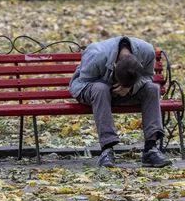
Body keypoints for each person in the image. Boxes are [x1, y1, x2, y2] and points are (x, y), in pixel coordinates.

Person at [69, 36, 171, 168]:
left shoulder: (147, 51)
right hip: (93, 89)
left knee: (152, 88)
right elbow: (85, 80)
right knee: (101, 89)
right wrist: (110, 86)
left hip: (129, 92)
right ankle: (107, 150)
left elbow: (148, 76)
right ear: (114, 65)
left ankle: (150, 150)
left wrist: (129, 87)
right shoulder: (96, 54)